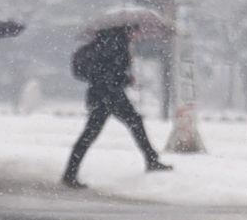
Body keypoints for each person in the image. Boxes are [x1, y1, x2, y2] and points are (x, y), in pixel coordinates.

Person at [62, 23, 171, 186]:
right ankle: (70, 174)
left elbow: (103, 71)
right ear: (130, 30)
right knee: (104, 130)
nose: (138, 35)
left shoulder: (105, 42)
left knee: (125, 124)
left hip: (102, 94)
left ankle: (151, 159)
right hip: (109, 95)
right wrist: (126, 79)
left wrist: (121, 78)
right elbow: (110, 72)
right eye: (137, 32)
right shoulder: (116, 44)